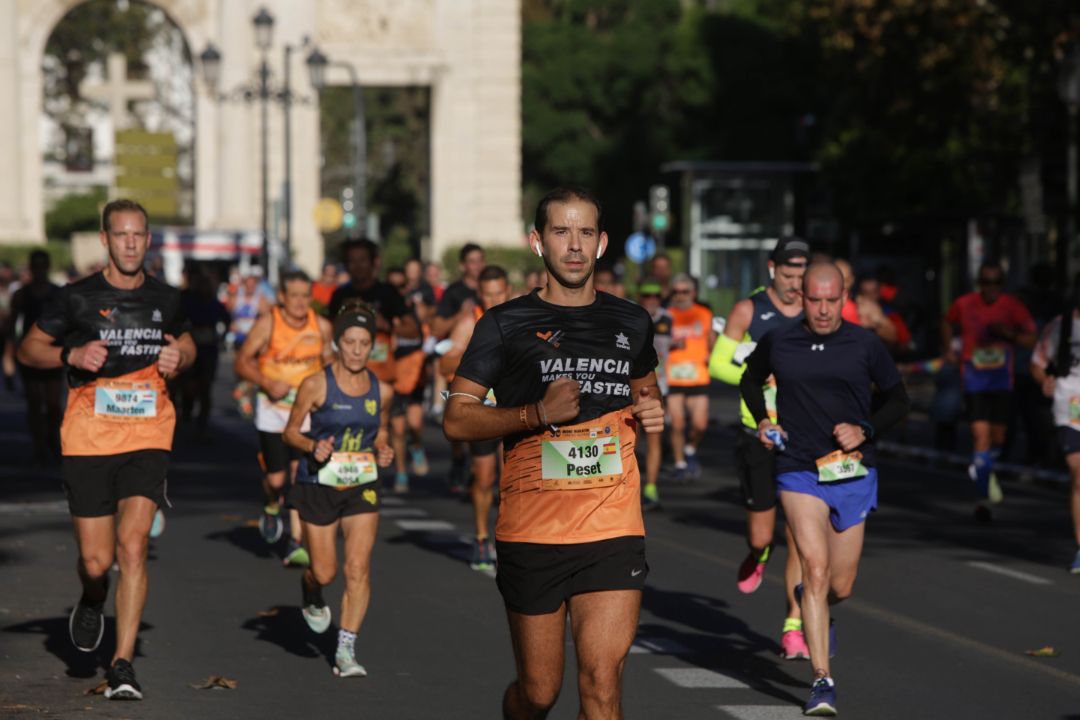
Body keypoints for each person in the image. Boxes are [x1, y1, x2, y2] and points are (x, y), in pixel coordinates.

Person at [443, 186, 664, 719]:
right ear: (537, 242)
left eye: (585, 232)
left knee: (602, 682)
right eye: (561, 232)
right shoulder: (504, 324)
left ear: (602, 242)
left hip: (612, 527)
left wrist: (653, 412)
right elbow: (456, 417)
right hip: (533, 531)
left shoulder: (631, 322)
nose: (574, 245)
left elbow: (646, 393)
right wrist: (534, 415)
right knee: (539, 693)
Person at [17, 199, 196, 700]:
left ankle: (121, 664)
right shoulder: (75, 298)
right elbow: (27, 349)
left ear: (148, 239)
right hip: (89, 436)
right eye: (122, 235)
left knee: (133, 547)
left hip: (148, 434)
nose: (131, 243)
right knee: (96, 563)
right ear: (105, 239)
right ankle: (92, 599)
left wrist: (181, 355)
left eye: (139, 234)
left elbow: (187, 342)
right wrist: (70, 353)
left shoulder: (167, 297)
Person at [741, 262, 909, 716]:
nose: (822, 309)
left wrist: (865, 429)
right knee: (814, 570)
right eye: (813, 299)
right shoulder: (781, 340)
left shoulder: (865, 344)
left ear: (844, 296)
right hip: (797, 469)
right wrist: (763, 420)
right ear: (802, 296)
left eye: (831, 300)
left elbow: (899, 399)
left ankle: (818, 606)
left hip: (852, 473)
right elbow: (749, 379)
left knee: (841, 584)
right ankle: (822, 680)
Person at [708, 236, 809, 659]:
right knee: (761, 533)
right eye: (788, 274)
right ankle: (758, 551)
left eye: (802, 274)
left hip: (805, 435)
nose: (795, 283)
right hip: (758, 433)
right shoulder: (750, 310)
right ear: (772, 269)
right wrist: (758, 379)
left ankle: (793, 625)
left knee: (804, 536)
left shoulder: (816, 312)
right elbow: (716, 364)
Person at [283, 300, 394, 677]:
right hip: (319, 484)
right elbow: (290, 432)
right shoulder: (316, 384)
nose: (358, 350)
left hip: (361, 483)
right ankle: (311, 589)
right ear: (337, 343)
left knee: (359, 567)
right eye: (350, 342)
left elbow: (381, 432)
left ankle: (345, 648)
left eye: (365, 343)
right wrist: (312, 446)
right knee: (326, 571)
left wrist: (383, 450)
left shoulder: (382, 389)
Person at [235, 271, 334, 566]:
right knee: (277, 480)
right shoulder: (269, 324)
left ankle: (296, 541)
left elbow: (330, 366)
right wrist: (266, 383)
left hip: (305, 414)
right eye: (295, 295)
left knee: (297, 475)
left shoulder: (322, 327)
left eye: (306, 296)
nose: (301, 302)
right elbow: (242, 361)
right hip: (273, 412)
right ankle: (269, 503)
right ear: (282, 297)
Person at [943, 261, 1036, 521]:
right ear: (979, 283)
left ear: (1002, 284)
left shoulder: (1012, 306)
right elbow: (947, 321)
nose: (990, 288)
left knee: (998, 437)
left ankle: (986, 469)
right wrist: (949, 347)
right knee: (980, 437)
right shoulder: (965, 304)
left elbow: (1032, 337)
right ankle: (983, 496)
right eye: (985, 282)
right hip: (974, 377)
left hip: (1001, 380)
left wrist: (1009, 335)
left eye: (995, 282)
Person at [328, 238, 421, 492]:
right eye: (352, 261)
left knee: (397, 427)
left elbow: (414, 330)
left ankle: (401, 470)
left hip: (384, 375)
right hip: (348, 377)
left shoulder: (386, 293)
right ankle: (355, 477)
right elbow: (327, 332)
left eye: (362, 260)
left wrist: (387, 325)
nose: (357, 266)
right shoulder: (340, 295)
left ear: (373, 263)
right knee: (355, 427)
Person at [438, 265, 511, 569]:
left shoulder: (520, 317)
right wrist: (475, 355)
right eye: (488, 294)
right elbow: (445, 364)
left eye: (499, 293)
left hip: (514, 408)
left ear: (507, 291)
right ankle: (481, 537)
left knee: (512, 476)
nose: (493, 300)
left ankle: (510, 537)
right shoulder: (470, 322)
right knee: (484, 476)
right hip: (483, 408)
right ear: (479, 294)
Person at [1030, 285, 1080, 573]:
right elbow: (1038, 363)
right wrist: (1043, 381)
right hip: (1070, 406)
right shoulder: (1061, 326)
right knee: (1078, 475)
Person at [432, 243, 486, 493]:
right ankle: (458, 458)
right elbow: (437, 328)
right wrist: (460, 316)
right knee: (457, 423)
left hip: (487, 368)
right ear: (463, 265)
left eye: (480, 260)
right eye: (472, 261)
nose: (477, 266)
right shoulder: (455, 292)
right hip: (457, 362)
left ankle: (478, 474)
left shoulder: (489, 287)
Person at [6, 249, 63, 466]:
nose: (39, 270)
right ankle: (39, 444)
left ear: (47, 267)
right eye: (35, 266)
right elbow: (12, 326)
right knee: (34, 401)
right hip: (29, 354)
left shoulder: (58, 293)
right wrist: (9, 355)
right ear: (31, 268)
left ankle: (52, 438)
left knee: (53, 403)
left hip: (54, 352)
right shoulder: (21, 294)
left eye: (42, 266)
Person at [665, 273, 715, 481]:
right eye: (676, 292)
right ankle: (679, 463)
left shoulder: (703, 314)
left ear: (693, 293)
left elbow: (712, 339)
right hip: (673, 376)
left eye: (685, 291)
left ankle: (690, 449)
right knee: (677, 424)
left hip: (698, 376)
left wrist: (711, 354)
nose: (681, 296)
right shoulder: (665, 315)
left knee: (700, 424)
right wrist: (671, 345)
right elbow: (656, 344)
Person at [637, 280, 673, 511]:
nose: (651, 301)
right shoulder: (632, 316)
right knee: (630, 439)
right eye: (647, 297)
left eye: (655, 297)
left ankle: (650, 486)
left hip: (659, 387)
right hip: (632, 387)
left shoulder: (669, 318)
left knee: (654, 438)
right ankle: (628, 485)